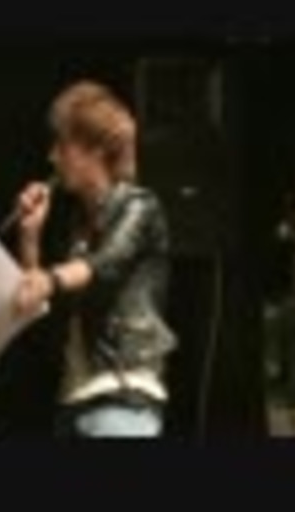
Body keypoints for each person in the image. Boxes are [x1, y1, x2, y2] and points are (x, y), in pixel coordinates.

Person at [12, 80, 177, 438]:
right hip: (75, 400)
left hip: (121, 395)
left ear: (96, 151)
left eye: (62, 145)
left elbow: (106, 262)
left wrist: (49, 280)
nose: (52, 157)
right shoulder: (77, 223)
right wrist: (30, 237)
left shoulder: (140, 206)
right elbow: (36, 303)